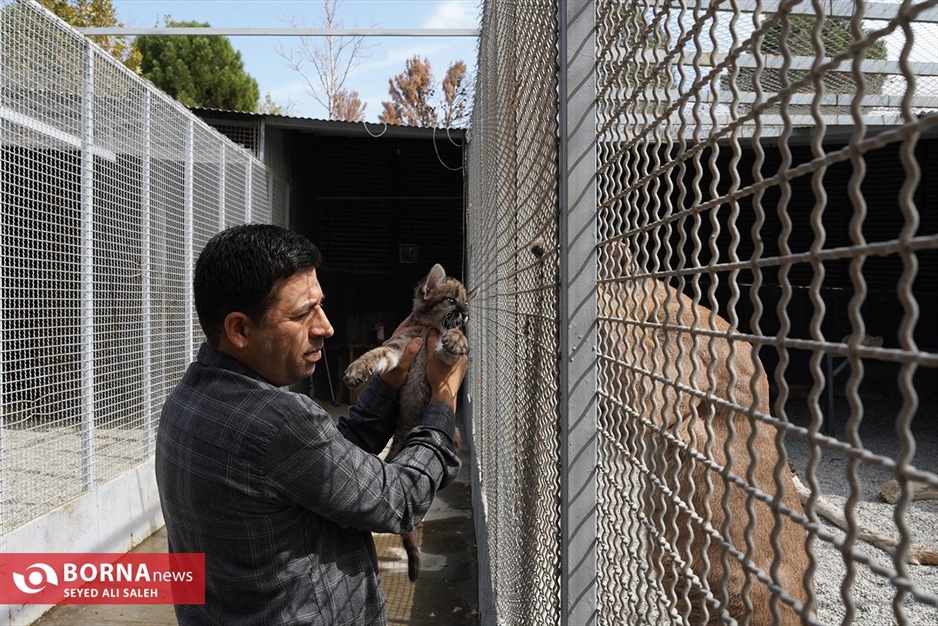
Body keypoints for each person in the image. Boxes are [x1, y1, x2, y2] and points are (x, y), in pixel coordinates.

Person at [155, 224, 467, 626]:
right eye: (303, 313)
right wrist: (443, 396)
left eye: (320, 306)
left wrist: (389, 383)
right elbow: (400, 501)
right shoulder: (277, 421)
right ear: (240, 330)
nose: (326, 327)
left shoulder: (185, 401)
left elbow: (325, 465)